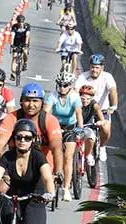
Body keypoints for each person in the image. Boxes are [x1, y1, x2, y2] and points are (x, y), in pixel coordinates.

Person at [0, 83, 63, 187]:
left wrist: (58, 172)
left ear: (42, 103)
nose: (31, 105)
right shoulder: (12, 118)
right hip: (15, 166)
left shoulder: (49, 120)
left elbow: (57, 148)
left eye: (35, 101)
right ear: (21, 101)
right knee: (0, 189)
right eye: (27, 100)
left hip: (41, 168)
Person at [43, 71, 83, 201]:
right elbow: (46, 112)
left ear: (70, 86)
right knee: (49, 152)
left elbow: (79, 115)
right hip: (55, 127)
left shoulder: (74, 97)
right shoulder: (53, 96)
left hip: (69, 128)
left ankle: (66, 188)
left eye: (65, 85)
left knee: (68, 156)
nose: (62, 88)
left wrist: (80, 129)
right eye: (59, 85)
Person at [74, 53, 118, 162]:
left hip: (102, 110)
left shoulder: (107, 77)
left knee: (106, 128)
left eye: (97, 67)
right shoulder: (83, 76)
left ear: (102, 68)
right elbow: (75, 90)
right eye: (92, 67)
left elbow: (112, 91)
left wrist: (113, 106)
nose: (94, 70)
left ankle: (102, 146)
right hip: (86, 110)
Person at [79, 85, 105, 166]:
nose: (85, 101)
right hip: (76, 127)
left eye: (88, 99)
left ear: (92, 98)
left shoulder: (94, 105)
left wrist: (100, 122)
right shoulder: (76, 103)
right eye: (83, 98)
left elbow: (101, 117)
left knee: (90, 137)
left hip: (87, 126)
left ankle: (88, 155)